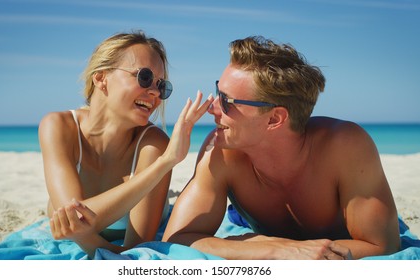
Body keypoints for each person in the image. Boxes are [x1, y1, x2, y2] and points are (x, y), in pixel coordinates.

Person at [162, 36, 401, 260]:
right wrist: (272, 249)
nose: (211, 108)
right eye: (218, 92)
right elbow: (176, 239)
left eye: (226, 101)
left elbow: (383, 246)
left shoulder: (345, 147)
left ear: (275, 119)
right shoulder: (220, 153)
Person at [38, 31, 213, 257]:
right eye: (144, 77)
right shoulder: (59, 126)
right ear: (101, 78)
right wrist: (164, 163)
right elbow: (73, 221)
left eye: (162, 86)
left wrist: (82, 236)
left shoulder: (153, 144)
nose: (154, 93)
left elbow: (135, 251)